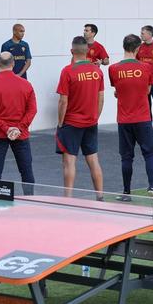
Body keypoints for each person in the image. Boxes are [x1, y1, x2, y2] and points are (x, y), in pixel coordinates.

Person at [110, 35, 153, 199]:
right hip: (143, 117)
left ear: (124, 46)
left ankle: (126, 191)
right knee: (149, 153)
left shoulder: (113, 68)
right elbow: (147, 90)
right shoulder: (146, 68)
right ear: (138, 48)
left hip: (124, 119)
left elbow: (117, 90)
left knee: (126, 156)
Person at [56, 36, 104, 193]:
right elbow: (100, 97)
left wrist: (60, 122)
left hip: (71, 123)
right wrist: (95, 117)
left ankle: (68, 197)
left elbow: (63, 101)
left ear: (72, 51)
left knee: (69, 161)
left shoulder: (67, 71)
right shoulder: (97, 71)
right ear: (88, 51)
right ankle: (100, 197)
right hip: (91, 122)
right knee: (93, 160)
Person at [0, 52, 37, 187]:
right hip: (20, 134)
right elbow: (32, 110)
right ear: (13, 64)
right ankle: (29, 201)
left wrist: (5, 128)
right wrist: (19, 128)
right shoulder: (26, 85)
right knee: (26, 171)